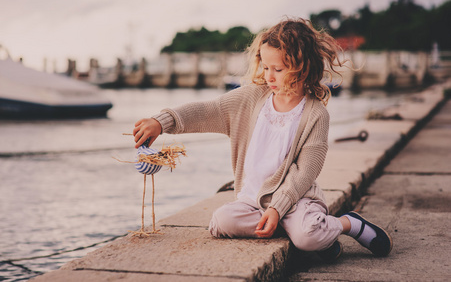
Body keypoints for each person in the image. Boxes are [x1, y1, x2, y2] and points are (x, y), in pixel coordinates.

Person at [132, 17, 392, 261]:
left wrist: (278, 208)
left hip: (296, 198)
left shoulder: (315, 115)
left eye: (277, 69)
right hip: (252, 200)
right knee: (221, 222)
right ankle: (311, 238)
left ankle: (347, 224)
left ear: (303, 68)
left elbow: (305, 172)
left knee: (307, 235)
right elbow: (208, 110)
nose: (268, 76)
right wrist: (162, 121)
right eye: (266, 67)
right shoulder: (251, 98)